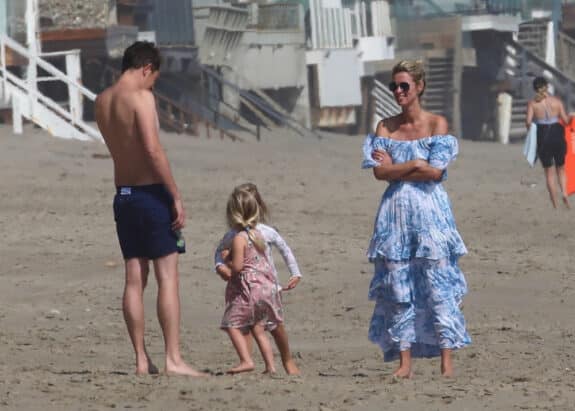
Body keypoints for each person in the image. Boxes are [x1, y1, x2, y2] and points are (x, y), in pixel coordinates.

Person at [94, 41, 205, 377]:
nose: (152, 84)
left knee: (133, 277)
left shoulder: (102, 101)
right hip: (150, 194)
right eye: (153, 78)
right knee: (167, 276)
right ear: (146, 68)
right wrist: (175, 196)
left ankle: (142, 360)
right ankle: (173, 359)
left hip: (123, 194)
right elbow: (153, 151)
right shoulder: (141, 97)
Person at [362, 60, 470, 378]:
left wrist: (400, 166)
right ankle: (404, 363)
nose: (398, 91)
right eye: (394, 85)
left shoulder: (437, 123)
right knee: (398, 288)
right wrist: (414, 165)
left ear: (419, 87)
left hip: (432, 214)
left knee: (439, 286)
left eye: (404, 85)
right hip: (393, 214)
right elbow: (380, 172)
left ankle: (446, 362)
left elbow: (435, 171)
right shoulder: (385, 126)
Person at [214, 183, 301, 375]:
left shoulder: (260, 232)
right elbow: (219, 253)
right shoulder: (233, 235)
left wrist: (295, 272)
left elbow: (284, 249)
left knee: (264, 325)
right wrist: (220, 266)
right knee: (258, 326)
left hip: (254, 287)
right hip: (267, 288)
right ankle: (265, 364)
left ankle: (277, 360)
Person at [526, 76, 572, 209]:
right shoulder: (557, 101)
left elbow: (528, 123)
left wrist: (532, 129)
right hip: (557, 134)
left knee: (549, 172)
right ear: (547, 86)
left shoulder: (532, 104)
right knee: (561, 169)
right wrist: (570, 117)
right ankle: (564, 193)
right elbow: (565, 120)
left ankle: (555, 204)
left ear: (535, 89)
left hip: (543, 135)